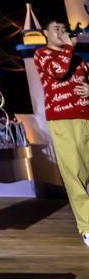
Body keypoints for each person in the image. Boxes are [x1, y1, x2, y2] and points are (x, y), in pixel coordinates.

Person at [34, 17, 89, 247]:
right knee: (73, 174)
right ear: (46, 33)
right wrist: (69, 47)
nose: (61, 32)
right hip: (62, 119)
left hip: (84, 117)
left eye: (63, 29)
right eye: (56, 29)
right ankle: (86, 227)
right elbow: (57, 72)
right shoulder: (42, 55)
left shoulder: (78, 60)